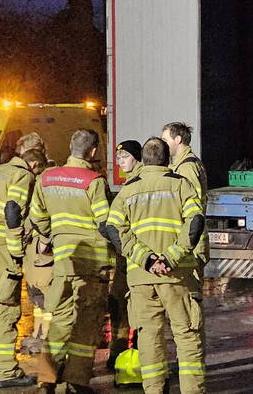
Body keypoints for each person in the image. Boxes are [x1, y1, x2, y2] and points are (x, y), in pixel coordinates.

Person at [105, 137, 205, 394]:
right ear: (167, 159)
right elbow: (195, 222)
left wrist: (146, 259)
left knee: (149, 337)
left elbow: (113, 228)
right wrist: (171, 257)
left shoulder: (128, 190)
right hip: (177, 276)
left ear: (143, 160)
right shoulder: (180, 185)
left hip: (141, 278)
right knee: (186, 336)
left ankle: (154, 390)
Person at [29, 129, 113, 394]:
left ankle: (46, 378)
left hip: (64, 261)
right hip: (92, 265)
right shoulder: (94, 181)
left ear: (70, 146)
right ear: (93, 151)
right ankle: (76, 380)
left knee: (60, 320)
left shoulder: (46, 178)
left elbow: (37, 217)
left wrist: (53, 236)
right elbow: (105, 223)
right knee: (87, 322)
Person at [0, 132, 37, 388]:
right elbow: (13, 209)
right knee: (3, 310)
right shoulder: (21, 175)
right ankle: (6, 372)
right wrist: (16, 251)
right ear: (34, 164)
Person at [106, 140, 142, 369]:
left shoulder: (138, 184)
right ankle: (118, 354)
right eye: (118, 158)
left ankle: (137, 354)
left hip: (135, 257)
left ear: (137, 158)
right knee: (118, 304)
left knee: (139, 308)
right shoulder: (129, 184)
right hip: (126, 260)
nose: (120, 162)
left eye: (125, 157)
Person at [160, 123, 209, 274]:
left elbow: (192, 205)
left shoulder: (187, 168)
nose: (163, 145)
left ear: (178, 139)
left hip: (192, 242)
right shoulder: (184, 164)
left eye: (165, 140)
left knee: (192, 285)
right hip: (191, 238)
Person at [19, 149, 53, 342]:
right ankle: (40, 333)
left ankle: (44, 335)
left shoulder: (40, 184)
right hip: (38, 251)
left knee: (43, 298)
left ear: (34, 165)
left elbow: (36, 217)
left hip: (40, 250)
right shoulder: (44, 182)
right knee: (39, 298)